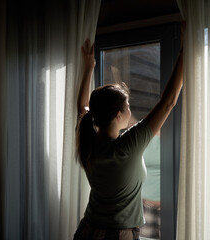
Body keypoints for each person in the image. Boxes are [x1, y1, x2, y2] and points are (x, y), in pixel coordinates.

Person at [74, 24, 184, 240]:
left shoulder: (90, 140)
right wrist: (184, 53)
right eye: (128, 107)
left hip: (88, 230)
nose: (130, 111)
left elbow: (82, 108)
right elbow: (168, 102)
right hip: (117, 234)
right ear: (118, 115)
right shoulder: (128, 145)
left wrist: (88, 69)